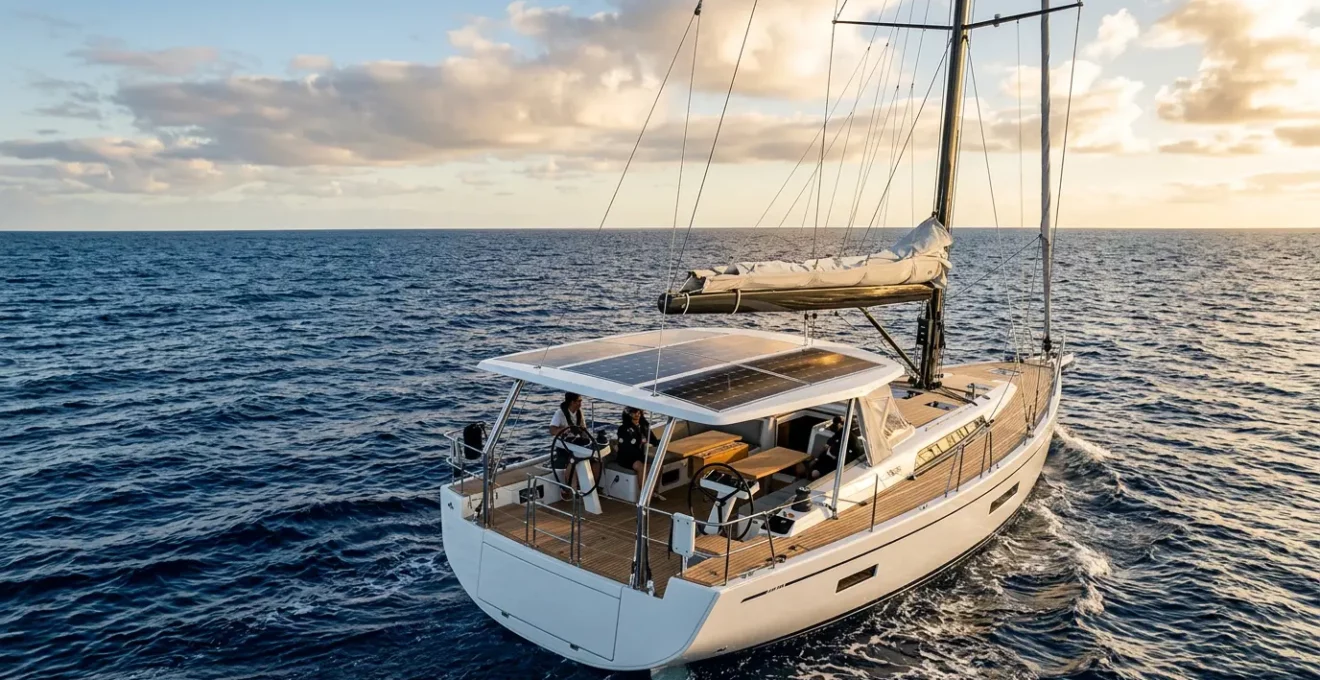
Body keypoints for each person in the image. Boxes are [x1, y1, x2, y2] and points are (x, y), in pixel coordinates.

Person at [617, 407, 662, 502]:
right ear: (628, 414)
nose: (637, 414)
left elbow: (653, 440)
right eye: (634, 412)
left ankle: (654, 492)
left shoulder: (644, 426)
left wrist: (662, 442)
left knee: (658, 465)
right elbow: (626, 447)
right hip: (626, 457)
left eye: (638, 412)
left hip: (640, 456)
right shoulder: (623, 429)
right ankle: (644, 496)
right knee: (640, 466)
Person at [549, 392, 592, 493]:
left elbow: (583, 429)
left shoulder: (579, 413)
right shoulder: (560, 413)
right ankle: (572, 488)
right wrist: (564, 430)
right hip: (564, 445)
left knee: (592, 459)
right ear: (572, 402)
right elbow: (552, 430)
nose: (581, 403)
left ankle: (590, 486)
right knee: (573, 461)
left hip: (577, 443)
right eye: (579, 401)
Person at [809, 414, 864, 479]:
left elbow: (857, 450)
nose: (837, 425)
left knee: (816, 473)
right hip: (825, 458)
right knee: (812, 471)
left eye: (839, 423)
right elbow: (826, 446)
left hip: (835, 463)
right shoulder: (837, 435)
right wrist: (817, 459)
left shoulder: (851, 438)